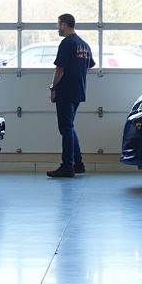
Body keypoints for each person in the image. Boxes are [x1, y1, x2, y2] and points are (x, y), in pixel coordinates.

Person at [47, 13, 95, 178]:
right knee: (69, 127)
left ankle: (67, 166)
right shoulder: (84, 45)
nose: (57, 28)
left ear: (64, 25)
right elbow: (90, 65)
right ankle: (78, 163)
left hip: (66, 91)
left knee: (65, 128)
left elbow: (60, 69)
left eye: (58, 24)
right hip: (79, 91)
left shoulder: (67, 43)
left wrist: (53, 88)